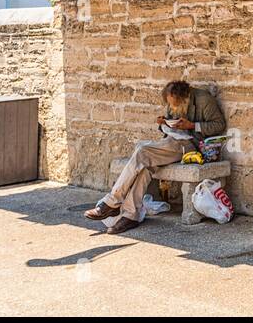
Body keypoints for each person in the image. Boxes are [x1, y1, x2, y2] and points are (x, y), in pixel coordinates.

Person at [85, 80, 226, 233]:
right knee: (145, 165)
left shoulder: (204, 99)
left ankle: (112, 202)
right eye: (170, 104)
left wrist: (192, 126)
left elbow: (219, 125)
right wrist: (163, 123)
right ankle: (130, 215)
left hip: (192, 145)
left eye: (175, 105)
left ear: (186, 97)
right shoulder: (173, 100)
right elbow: (169, 122)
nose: (172, 108)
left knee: (143, 151)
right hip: (173, 140)